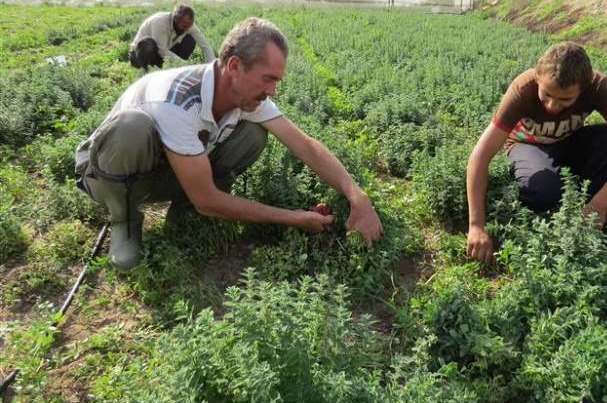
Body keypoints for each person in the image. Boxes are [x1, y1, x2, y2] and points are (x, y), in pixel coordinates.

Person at [76, 17, 383, 271]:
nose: (273, 91)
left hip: (169, 166)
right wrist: (295, 218)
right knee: (133, 127)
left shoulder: (244, 93)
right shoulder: (176, 100)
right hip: (108, 172)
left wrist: (357, 196)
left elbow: (304, 145)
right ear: (235, 66)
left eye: (277, 81)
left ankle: (185, 211)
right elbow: (207, 198)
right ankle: (125, 220)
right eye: (268, 79)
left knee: (252, 133)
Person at [466, 41, 607, 262]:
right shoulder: (522, 89)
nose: (552, 106)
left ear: (584, 88)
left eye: (565, 99)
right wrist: (476, 225)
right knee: (543, 193)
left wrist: (599, 205)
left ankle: (588, 209)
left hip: (569, 142)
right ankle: (561, 189)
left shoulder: (598, 86)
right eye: (546, 95)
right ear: (537, 77)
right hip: (528, 145)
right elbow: (481, 154)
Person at [129, 4, 215, 71]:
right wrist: (185, 64)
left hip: (162, 53)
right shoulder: (160, 22)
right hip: (140, 54)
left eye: (189, 26)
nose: (187, 29)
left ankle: (174, 69)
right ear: (176, 19)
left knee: (190, 40)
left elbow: (204, 44)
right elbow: (161, 50)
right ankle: (145, 72)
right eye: (185, 26)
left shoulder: (188, 25)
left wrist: (211, 66)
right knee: (148, 44)